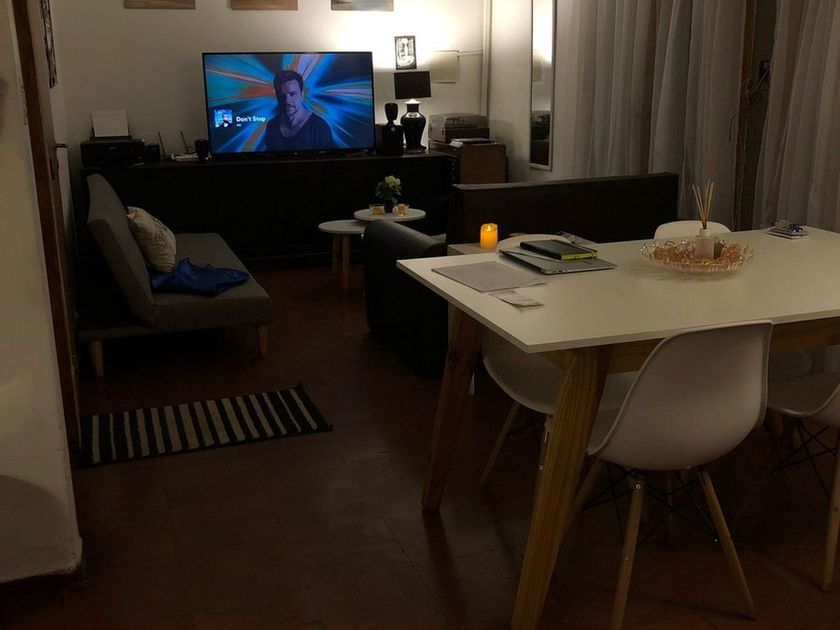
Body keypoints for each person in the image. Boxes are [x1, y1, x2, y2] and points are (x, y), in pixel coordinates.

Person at [261, 70, 334, 151]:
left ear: (302, 94)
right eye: (282, 95)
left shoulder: (319, 126)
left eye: (292, 94)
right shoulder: (272, 125)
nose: (287, 101)